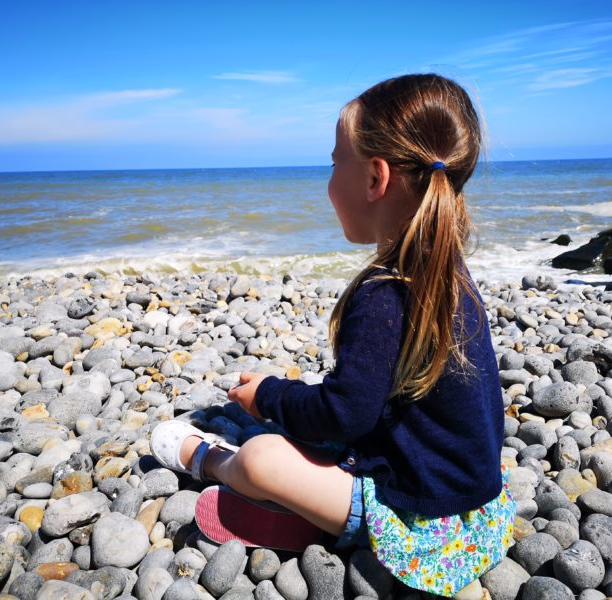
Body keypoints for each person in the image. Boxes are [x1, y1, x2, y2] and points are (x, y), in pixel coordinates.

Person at [152, 73, 515, 597]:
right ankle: (316, 512)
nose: (327, 179)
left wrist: (270, 396)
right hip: (478, 508)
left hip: (424, 526)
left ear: (374, 179)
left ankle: (208, 461)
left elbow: (345, 412)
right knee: (308, 433)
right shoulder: (448, 272)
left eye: (333, 162)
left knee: (262, 456)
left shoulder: (386, 294)